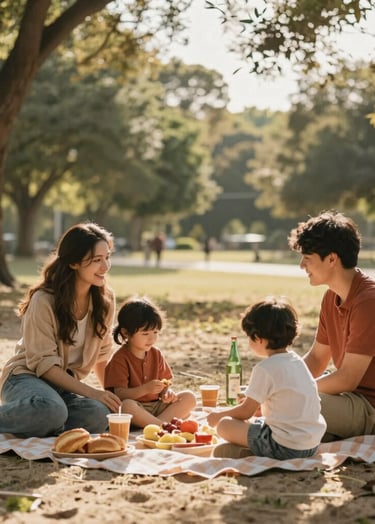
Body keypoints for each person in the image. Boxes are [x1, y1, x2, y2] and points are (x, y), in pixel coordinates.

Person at [0, 223, 122, 438]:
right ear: (74, 262)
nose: (105, 266)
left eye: (107, 257)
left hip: (62, 388)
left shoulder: (105, 300)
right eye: (96, 260)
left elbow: (102, 356)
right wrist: (91, 392)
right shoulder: (44, 301)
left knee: (101, 414)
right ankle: (44, 418)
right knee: (52, 410)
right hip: (25, 378)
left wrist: (112, 397)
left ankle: (41, 423)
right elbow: (43, 365)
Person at [288, 210, 375, 441]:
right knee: (286, 407)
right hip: (348, 400)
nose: (301, 266)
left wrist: (292, 393)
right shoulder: (331, 297)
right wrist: (282, 381)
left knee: (291, 407)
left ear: (332, 259)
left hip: (369, 407)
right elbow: (317, 359)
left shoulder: (368, 302)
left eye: (307, 258)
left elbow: (347, 378)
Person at [207, 296, 326, 459]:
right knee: (255, 424)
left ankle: (250, 452)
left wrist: (218, 415)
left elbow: (245, 412)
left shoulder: (265, 368)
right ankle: (250, 450)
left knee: (224, 425)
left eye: (250, 337)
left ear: (258, 338)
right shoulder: (297, 361)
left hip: (285, 446)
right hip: (311, 445)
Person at [104, 296, 196, 428]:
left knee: (189, 397)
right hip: (136, 409)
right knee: (126, 406)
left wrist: (166, 394)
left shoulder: (156, 353)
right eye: (145, 333)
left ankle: (156, 425)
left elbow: (166, 383)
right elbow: (120, 394)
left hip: (157, 406)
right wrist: (145, 389)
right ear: (125, 333)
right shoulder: (120, 358)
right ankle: (163, 426)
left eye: (155, 332)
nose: (152, 338)